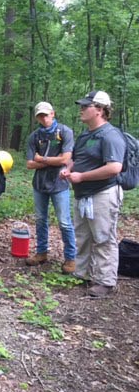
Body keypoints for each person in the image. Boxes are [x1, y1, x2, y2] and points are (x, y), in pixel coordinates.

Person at [61, 91, 124, 298]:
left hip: (103, 193)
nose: (81, 109)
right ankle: (83, 274)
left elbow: (114, 167)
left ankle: (105, 281)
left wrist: (83, 176)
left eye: (85, 106)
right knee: (83, 235)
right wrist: (68, 169)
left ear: (99, 110)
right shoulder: (85, 134)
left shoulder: (110, 135)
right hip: (83, 194)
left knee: (104, 237)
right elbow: (76, 158)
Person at [25, 102, 76, 273]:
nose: (43, 118)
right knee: (40, 219)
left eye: (46, 115)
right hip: (39, 184)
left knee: (64, 222)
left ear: (53, 114)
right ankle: (41, 252)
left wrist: (42, 159)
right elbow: (30, 164)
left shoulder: (65, 132)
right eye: (40, 115)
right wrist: (51, 161)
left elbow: (65, 159)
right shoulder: (34, 136)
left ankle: (70, 258)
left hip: (59, 184)